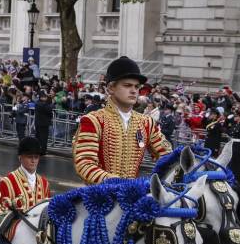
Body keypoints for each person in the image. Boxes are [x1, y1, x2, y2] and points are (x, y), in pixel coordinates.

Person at [72, 56, 170, 184]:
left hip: (132, 197)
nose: (134, 91)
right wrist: (114, 182)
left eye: (137, 86)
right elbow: (84, 163)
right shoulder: (93, 121)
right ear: (111, 88)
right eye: (127, 85)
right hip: (98, 198)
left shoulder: (147, 122)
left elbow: (166, 156)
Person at [0, 137, 50, 217]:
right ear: (20, 157)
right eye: (29, 157)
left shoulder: (44, 184)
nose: (33, 160)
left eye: (36, 157)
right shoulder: (8, 182)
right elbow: (0, 217)